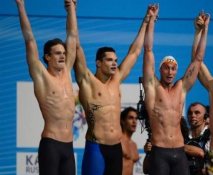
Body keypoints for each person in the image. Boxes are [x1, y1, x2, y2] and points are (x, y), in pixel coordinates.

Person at [74, 5, 154, 175]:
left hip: (116, 148)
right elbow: (75, 46)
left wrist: (146, 20)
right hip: (96, 147)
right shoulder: (87, 81)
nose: (114, 63)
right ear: (98, 63)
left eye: (115, 60)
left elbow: (135, 51)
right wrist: (71, 10)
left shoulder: (116, 80)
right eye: (109, 60)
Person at [142, 7, 210, 175]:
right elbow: (148, 50)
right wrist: (151, 22)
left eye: (173, 69)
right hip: (160, 152)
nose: (170, 72)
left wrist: (204, 30)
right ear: (160, 69)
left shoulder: (181, 88)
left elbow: (198, 59)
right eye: (166, 68)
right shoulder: (153, 86)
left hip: (179, 151)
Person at [16, 0, 78, 174]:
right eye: (58, 53)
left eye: (64, 53)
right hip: (51, 144)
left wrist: (71, 8)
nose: (63, 56)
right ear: (47, 57)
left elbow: (72, 36)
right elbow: (29, 39)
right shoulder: (41, 76)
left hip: (68, 146)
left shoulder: (67, 72)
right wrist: (21, 6)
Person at [185, 102, 210, 175]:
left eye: (197, 113)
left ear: (205, 117)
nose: (192, 115)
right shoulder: (181, 135)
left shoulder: (212, 136)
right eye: (190, 113)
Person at [120, 107, 139, 175]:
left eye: (136, 118)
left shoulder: (134, 145)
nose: (134, 121)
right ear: (123, 121)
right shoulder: (118, 140)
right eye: (130, 118)